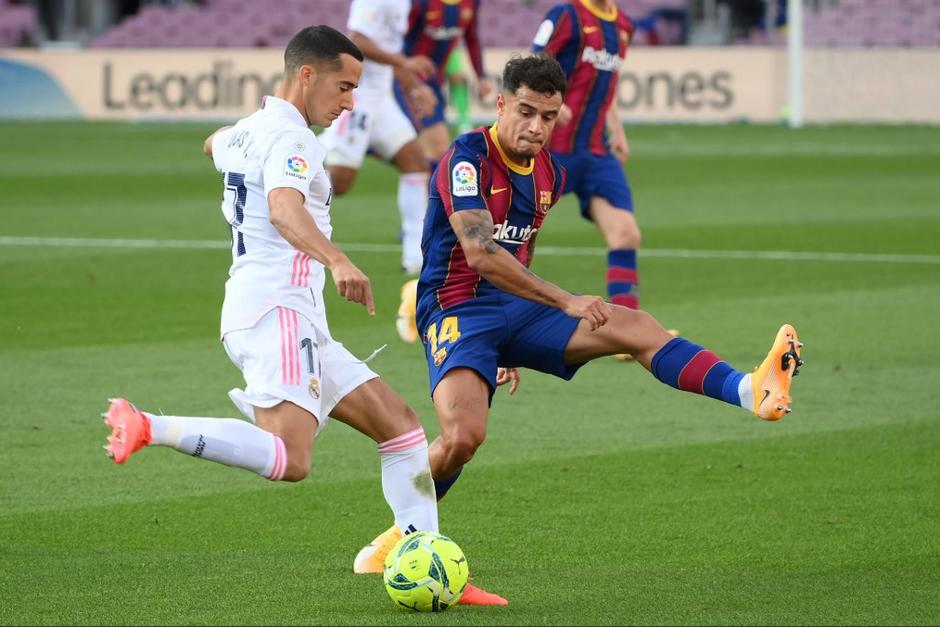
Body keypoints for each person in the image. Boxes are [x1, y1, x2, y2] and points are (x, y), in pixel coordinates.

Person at [350, 55, 805, 604]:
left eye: (548, 116)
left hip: (512, 308)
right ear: (500, 105)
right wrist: (561, 300)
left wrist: (514, 341)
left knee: (633, 325)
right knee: (464, 438)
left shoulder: (551, 173)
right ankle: (402, 535)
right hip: (454, 307)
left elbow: (521, 248)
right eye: (525, 112)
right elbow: (481, 251)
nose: (536, 127)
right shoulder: (466, 159)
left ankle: (750, 389)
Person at [100, 25, 445, 567]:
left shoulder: (246, 131)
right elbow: (285, 209)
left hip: (281, 311)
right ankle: (149, 426)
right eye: (344, 87)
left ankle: (423, 556)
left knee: (401, 428)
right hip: (276, 309)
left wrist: (231, 139)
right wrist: (338, 260)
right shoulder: (293, 139)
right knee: (291, 457)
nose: (350, 103)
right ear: (307, 75)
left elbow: (211, 142)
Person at [532, 0, 656, 358]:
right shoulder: (566, 15)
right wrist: (550, 100)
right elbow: (533, 63)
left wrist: (617, 129)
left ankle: (624, 332)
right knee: (514, 235)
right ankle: (446, 299)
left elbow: (608, 84)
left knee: (626, 233)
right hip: (553, 149)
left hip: (596, 152)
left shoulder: (623, 26)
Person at [317, 0, 437, 276]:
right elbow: (356, 41)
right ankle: (294, 166)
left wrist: (415, 87)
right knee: (340, 182)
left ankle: (415, 258)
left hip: (382, 100)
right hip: (358, 97)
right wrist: (404, 62)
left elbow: (389, 52)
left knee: (416, 164)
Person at [394, 0, 492, 171]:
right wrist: (406, 67)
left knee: (431, 155)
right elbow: (395, 42)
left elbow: (471, 37)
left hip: (433, 83)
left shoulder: (471, 3)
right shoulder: (421, 4)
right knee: (437, 150)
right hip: (408, 81)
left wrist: (480, 76)